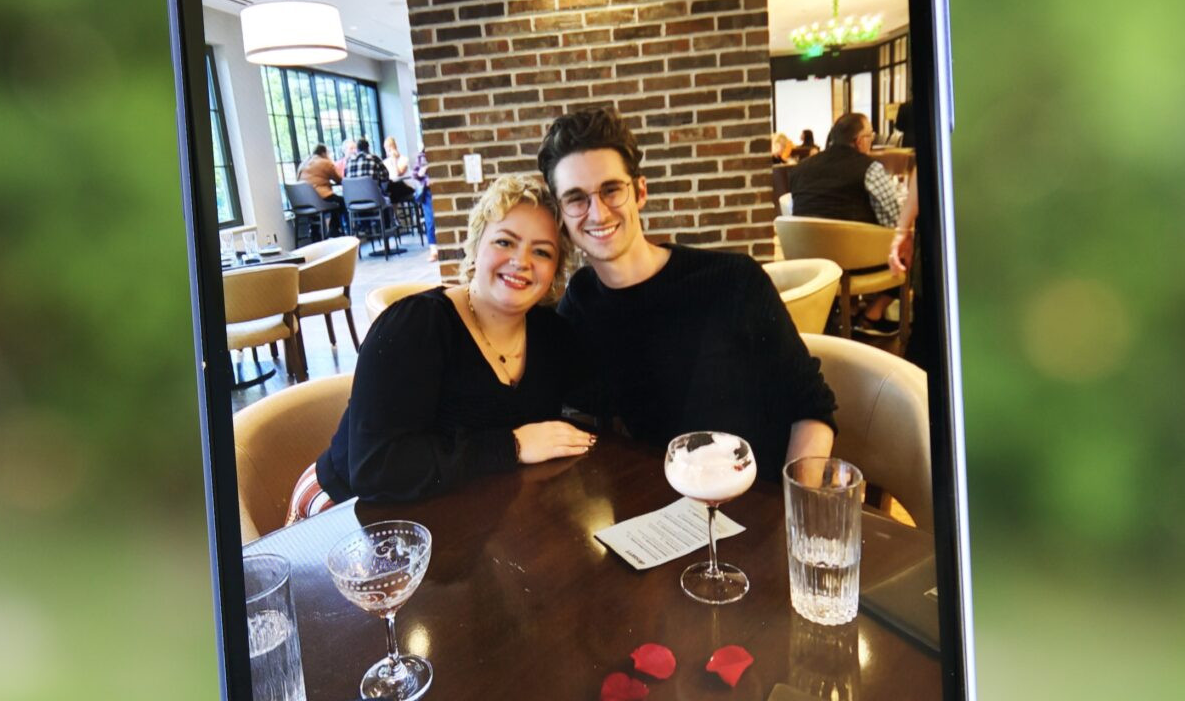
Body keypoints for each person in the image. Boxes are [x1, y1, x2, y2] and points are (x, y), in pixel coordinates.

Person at [537, 107, 836, 477]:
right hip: (655, 501)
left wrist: (794, 505)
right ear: (561, 216)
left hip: (753, 494)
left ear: (640, 192)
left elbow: (811, 406)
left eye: (611, 190)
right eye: (576, 198)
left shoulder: (733, 280)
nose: (597, 213)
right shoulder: (581, 302)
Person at [290, 175, 597, 518]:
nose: (522, 261)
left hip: (460, 512)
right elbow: (376, 468)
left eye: (542, 251)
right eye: (505, 242)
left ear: (555, 270)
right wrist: (513, 445)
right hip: (345, 507)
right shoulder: (415, 326)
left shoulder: (550, 333)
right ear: (476, 246)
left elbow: (602, 395)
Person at [787, 111, 902, 335]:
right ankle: (873, 314)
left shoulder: (800, 170)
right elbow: (894, 220)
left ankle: (847, 311)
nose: (871, 141)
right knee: (909, 243)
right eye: (870, 136)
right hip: (856, 264)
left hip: (810, 262)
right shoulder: (870, 169)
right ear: (859, 141)